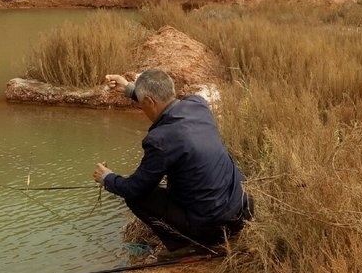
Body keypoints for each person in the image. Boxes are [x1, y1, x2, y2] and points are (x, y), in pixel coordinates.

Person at [92, 68, 253, 252]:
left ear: (149, 102)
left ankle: (184, 244)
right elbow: (159, 101)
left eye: (142, 104)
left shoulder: (160, 140)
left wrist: (107, 178)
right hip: (242, 210)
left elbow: (135, 188)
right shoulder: (198, 105)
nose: (142, 109)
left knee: (136, 197)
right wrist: (129, 89)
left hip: (215, 229)